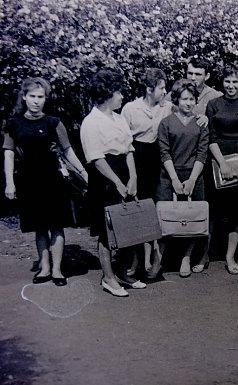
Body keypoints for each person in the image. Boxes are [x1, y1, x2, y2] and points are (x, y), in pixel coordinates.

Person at [3, 77, 88, 287]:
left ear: (45, 99)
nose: (36, 101)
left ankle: (58, 270)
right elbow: (8, 155)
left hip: (53, 181)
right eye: (32, 96)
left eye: (40, 97)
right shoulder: (14, 124)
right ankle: (45, 268)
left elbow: (68, 151)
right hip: (28, 182)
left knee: (57, 226)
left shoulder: (54, 122)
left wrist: (85, 173)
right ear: (24, 97)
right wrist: (9, 183)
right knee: (39, 227)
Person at [80, 69, 146, 297]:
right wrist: (117, 182)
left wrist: (133, 177)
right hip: (105, 180)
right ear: (107, 94)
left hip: (125, 174)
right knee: (107, 231)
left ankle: (123, 272)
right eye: (118, 92)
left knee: (127, 226)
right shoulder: (90, 122)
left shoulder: (119, 119)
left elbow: (129, 149)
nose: (121, 97)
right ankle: (108, 278)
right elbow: (96, 158)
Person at [151, 80, 209, 278]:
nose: (188, 103)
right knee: (164, 218)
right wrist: (175, 180)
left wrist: (192, 179)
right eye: (184, 98)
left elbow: (202, 153)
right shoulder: (166, 123)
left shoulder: (201, 123)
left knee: (191, 219)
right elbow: (164, 152)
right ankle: (158, 260)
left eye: (192, 99)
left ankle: (187, 257)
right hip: (169, 176)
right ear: (176, 100)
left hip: (194, 175)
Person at [205, 63, 238, 275]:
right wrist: (222, 163)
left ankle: (230, 256)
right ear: (222, 82)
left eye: (235, 81)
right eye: (227, 81)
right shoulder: (213, 104)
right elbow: (211, 136)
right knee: (213, 211)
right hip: (217, 159)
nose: (231, 85)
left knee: (236, 213)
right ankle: (205, 254)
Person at [121, 68, 171, 276]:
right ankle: (135, 259)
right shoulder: (131, 109)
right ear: (149, 89)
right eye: (161, 88)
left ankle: (155, 259)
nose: (164, 91)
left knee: (156, 210)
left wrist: (202, 118)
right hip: (136, 158)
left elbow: (187, 116)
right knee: (137, 210)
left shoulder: (168, 107)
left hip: (158, 159)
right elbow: (124, 140)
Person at [185, 57, 223, 273]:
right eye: (190, 73)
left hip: (207, 159)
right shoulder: (180, 92)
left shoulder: (215, 97)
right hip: (184, 158)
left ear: (206, 76)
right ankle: (183, 253)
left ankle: (204, 253)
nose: (193, 77)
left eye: (198, 74)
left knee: (207, 208)